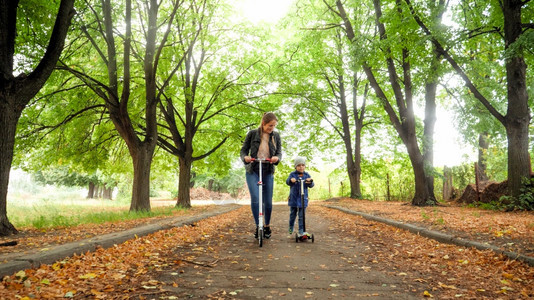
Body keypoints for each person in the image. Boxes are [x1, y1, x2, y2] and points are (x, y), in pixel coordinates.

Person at [240, 112, 282, 239]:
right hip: (253, 169)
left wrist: (276, 158)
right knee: (256, 199)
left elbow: (279, 152)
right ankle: (259, 226)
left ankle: (267, 226)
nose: (272, 128)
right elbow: (243, 150)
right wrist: (245, 157)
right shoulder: (252, 134)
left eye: (274, 126)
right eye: (270, 126)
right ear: (263, 124)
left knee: (268, 202)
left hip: (268, 169)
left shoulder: (276, 136)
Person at [286, 156, 314, 236]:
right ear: (295, 167)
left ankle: (301, 230)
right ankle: (291, 226)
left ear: (305, 166)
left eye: (302, 165)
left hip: (303, 199)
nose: (301, 167)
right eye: (298, 165)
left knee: (301, 216)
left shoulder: (306, 175)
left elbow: (311, 184)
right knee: (292, 215)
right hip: (294, 199)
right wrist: (291, 180)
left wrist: (310, 181)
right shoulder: (292, 174)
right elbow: (288, 181)